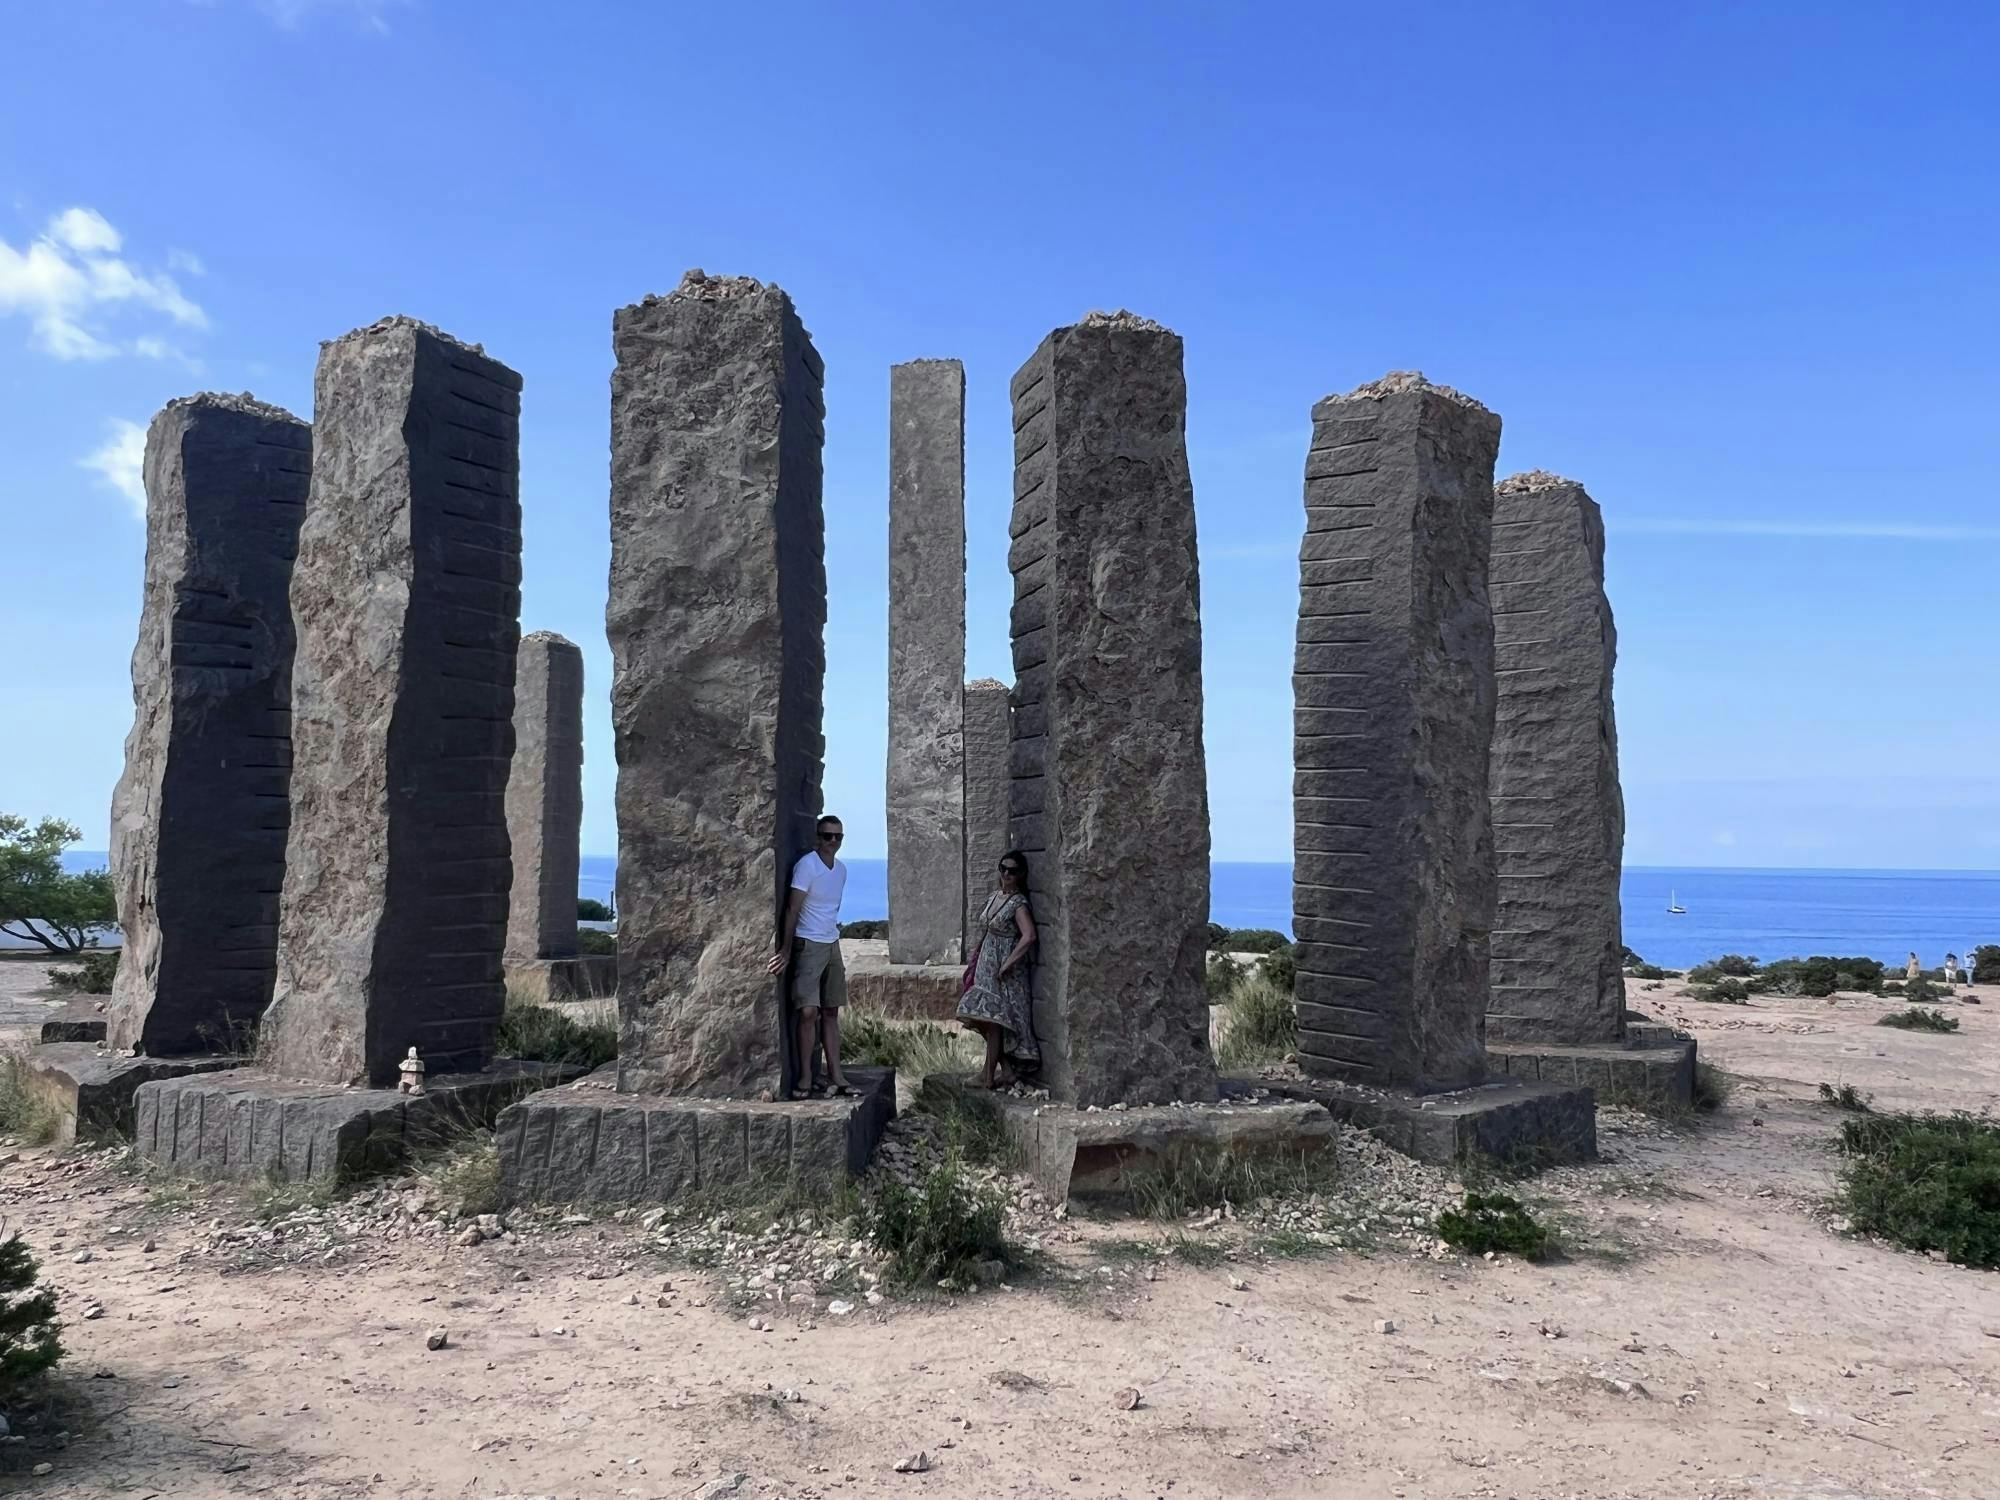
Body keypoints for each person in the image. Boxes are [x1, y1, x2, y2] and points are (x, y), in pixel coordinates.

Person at [767, 815, 853, 1100]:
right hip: (808, 942)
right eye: (827, 836)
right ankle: (805, 1076)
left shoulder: (840, 870)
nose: (832, 842)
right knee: (808, 1012)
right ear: (818, 837)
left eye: (837, 837)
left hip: (831, 943)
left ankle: (836, 1074)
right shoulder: (807, 866)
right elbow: (792, 909)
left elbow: (832, 908)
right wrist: (787, 950)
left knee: (831, 1011)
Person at [955, 850, 1041, 1089]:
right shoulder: (995, 896)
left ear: (1020, 874)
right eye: (1003, 868)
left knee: (995, 1022)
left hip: (1005, 973)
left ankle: (988, 1076)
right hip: (986, 966)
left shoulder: (1018, 903)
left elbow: (1029, 936)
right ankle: (1004, 1070)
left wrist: (1008, 963)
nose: (1006, 874)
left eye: (1012, 871)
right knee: (981, 1018)